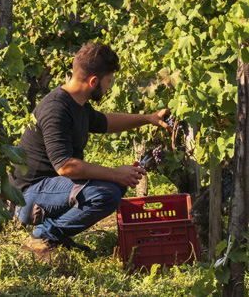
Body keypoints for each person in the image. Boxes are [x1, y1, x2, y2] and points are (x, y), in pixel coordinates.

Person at [10, 42, 169, 263]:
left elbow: (106, 121)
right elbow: (66, 166)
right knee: (106, 192)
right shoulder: (56, 109)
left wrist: (148, 119)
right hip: (29, 196)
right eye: (108, 82)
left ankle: (56, 235)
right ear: (93, 82)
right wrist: (115, 173)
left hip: (49, 188)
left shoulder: (78, 103)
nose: (109, 88)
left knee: (115, 184)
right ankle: (43, 236)